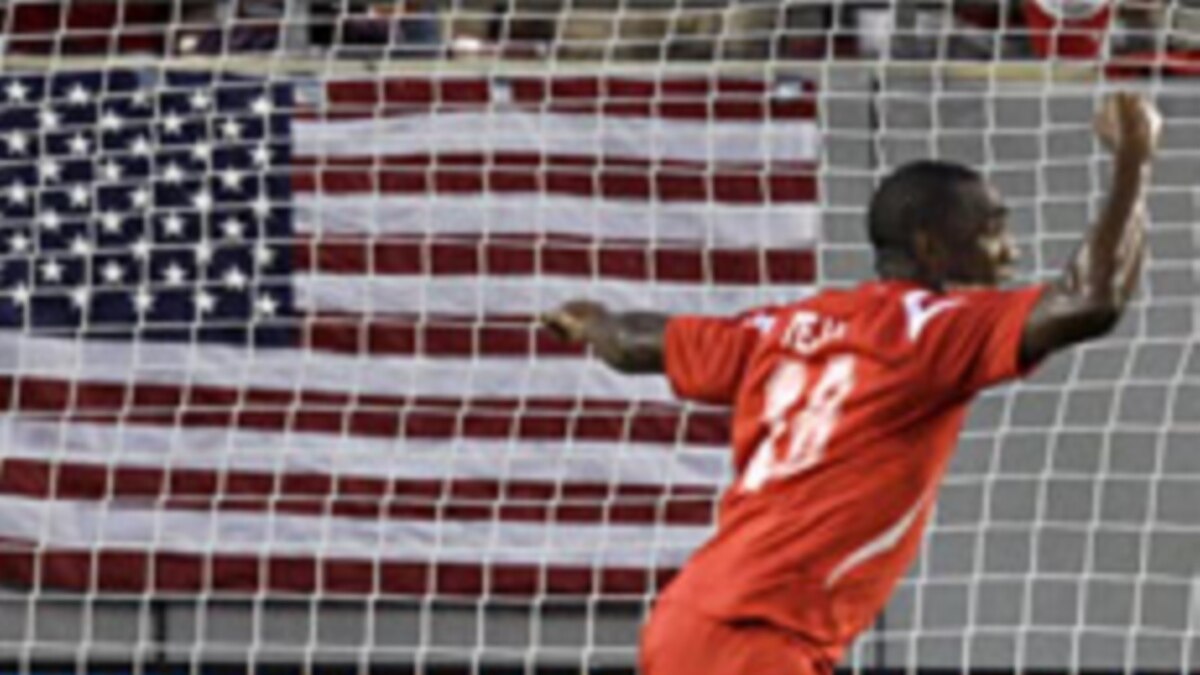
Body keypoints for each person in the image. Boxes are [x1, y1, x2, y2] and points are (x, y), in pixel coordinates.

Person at [540, 92, 1159, 675]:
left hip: (704, 619)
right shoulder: (931, 332)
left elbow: (639, 342)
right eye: (993, 230)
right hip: (759, 635)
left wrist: (592, 321)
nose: (1010, 253)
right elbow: (1092, 299)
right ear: (931, 247)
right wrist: (1134, 156)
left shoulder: (783, 327)